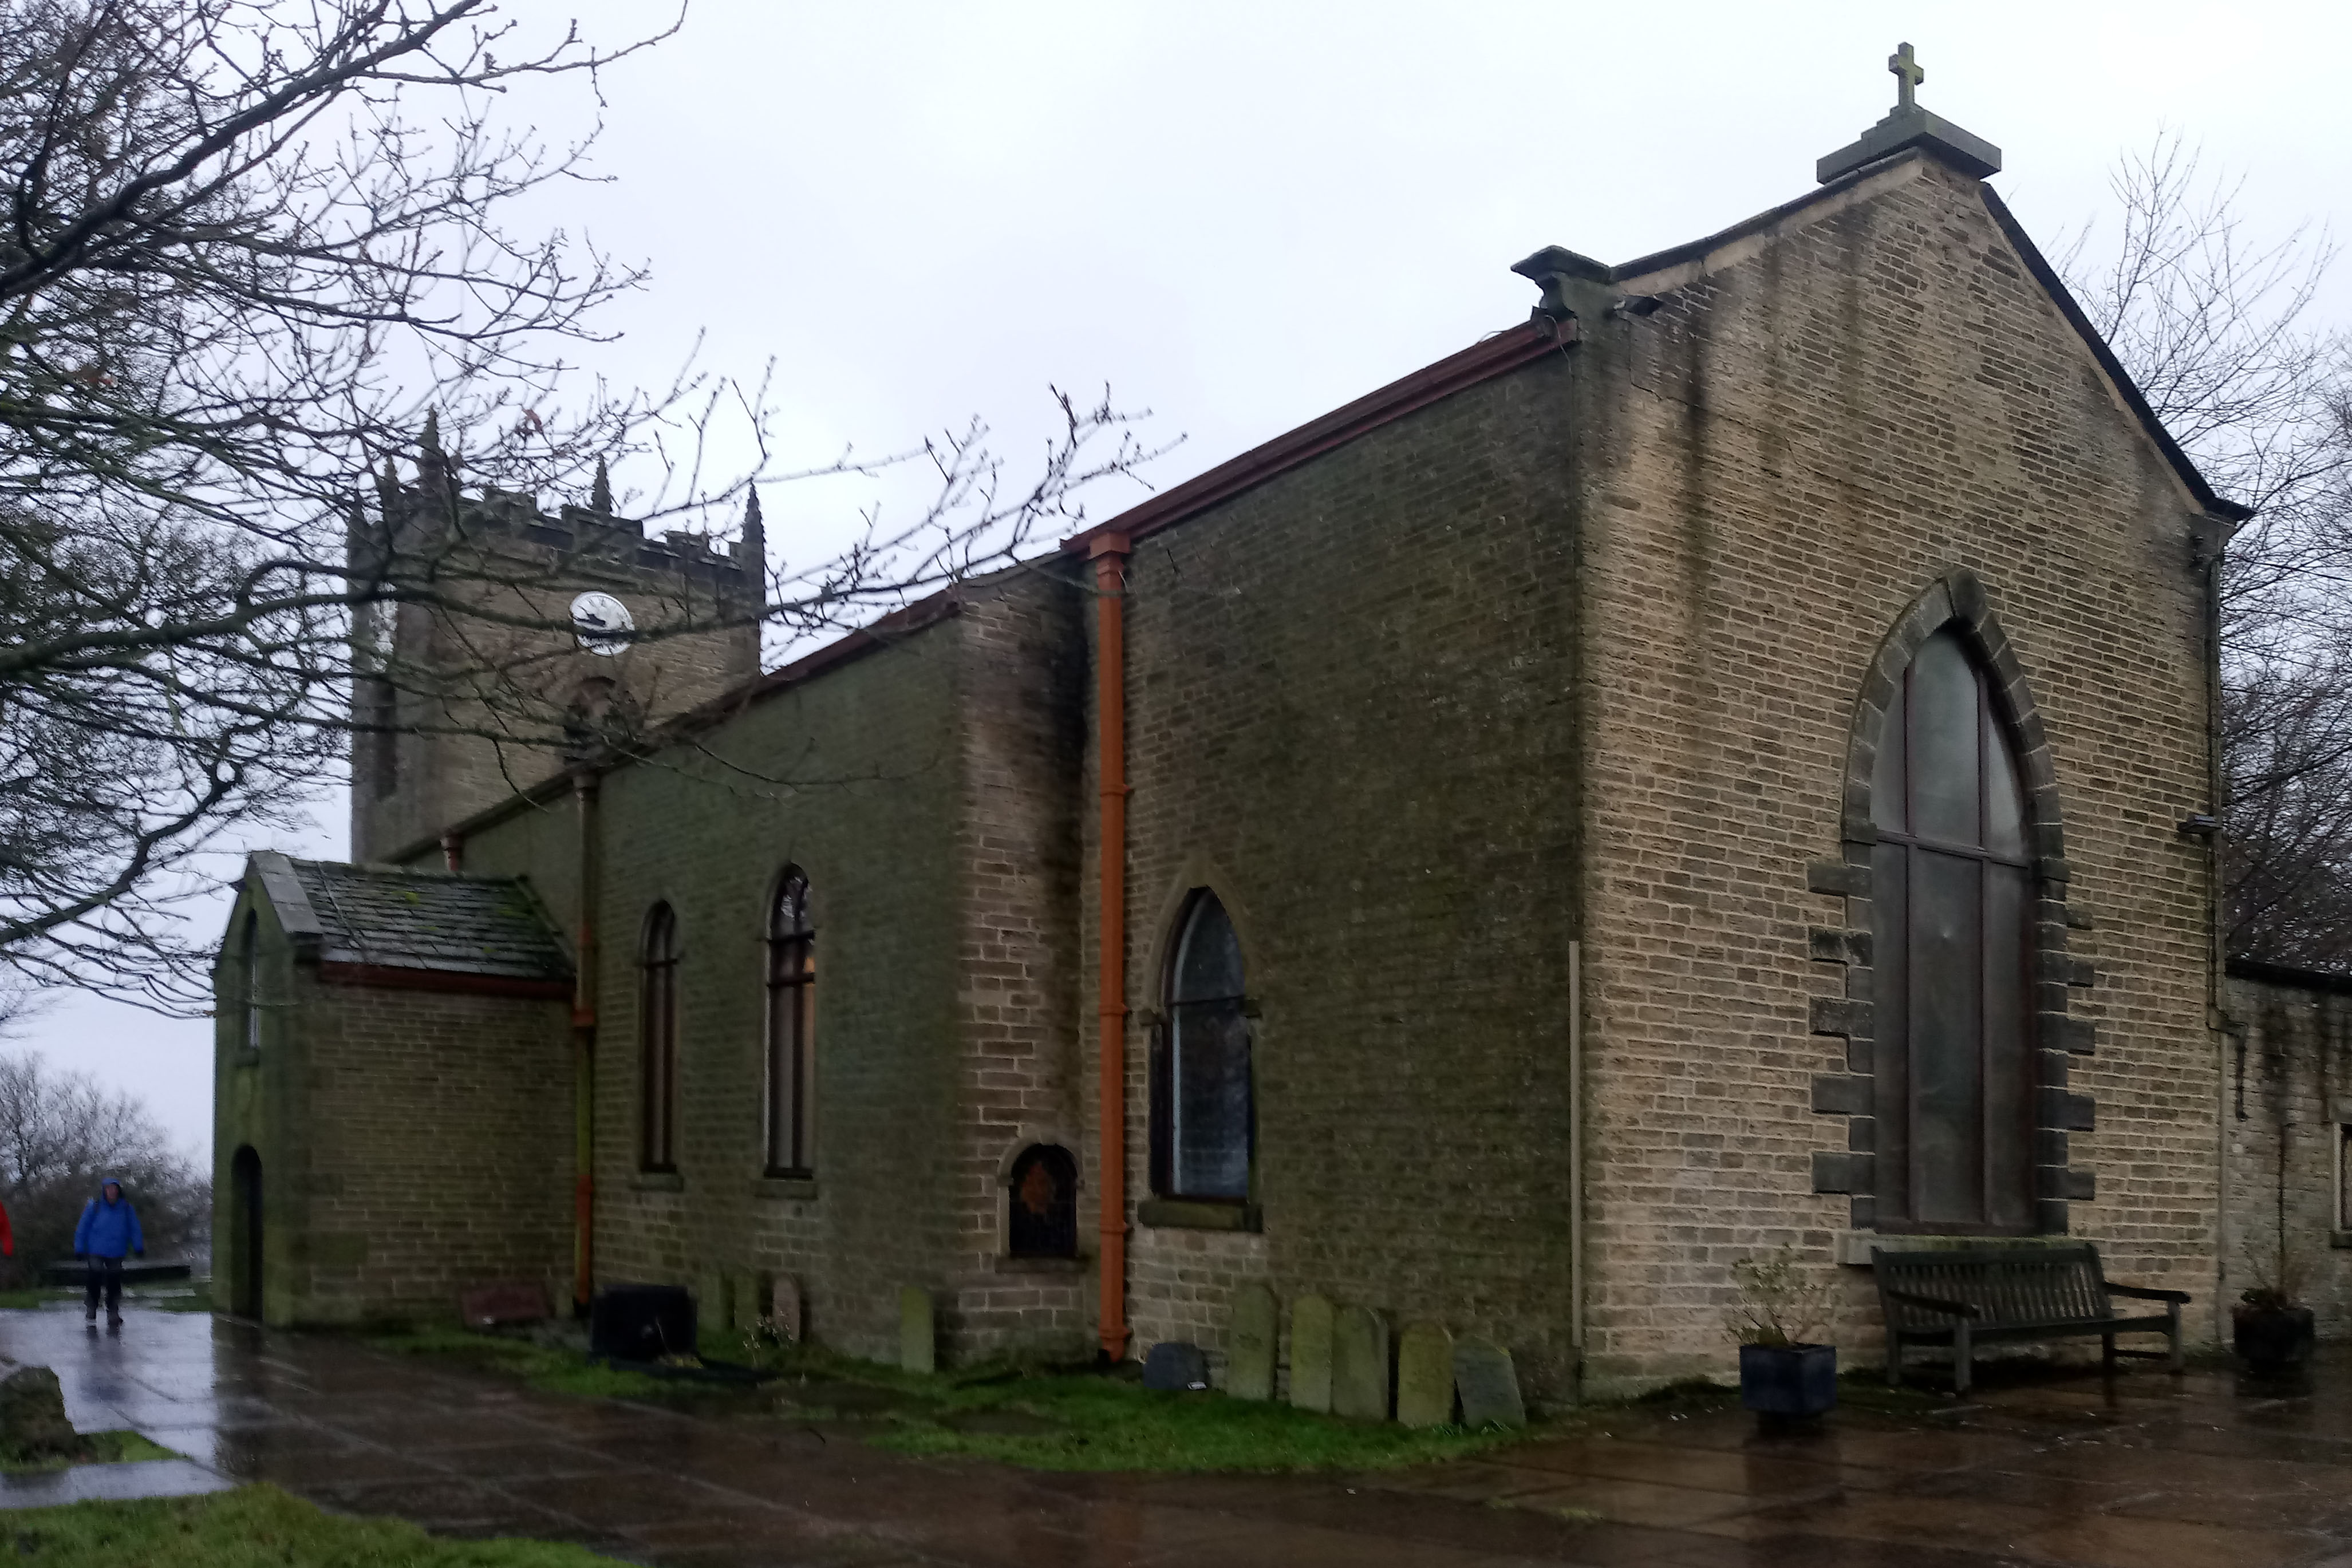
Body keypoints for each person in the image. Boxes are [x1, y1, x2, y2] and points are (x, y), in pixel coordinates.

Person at [73, 1176, 144, 1328]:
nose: (112, 1192)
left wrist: (138, 1246)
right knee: (95, 1275)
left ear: (119, 1191)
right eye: (109, 1189)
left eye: (114, 1189)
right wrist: (79, 1248)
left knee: (114, 1280)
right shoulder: (95, 1207)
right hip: (96, 1250)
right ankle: (91, 1306)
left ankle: (113, 1310)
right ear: (104, 1191)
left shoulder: (126, 1208)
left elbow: (134, 1228)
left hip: (116, 1250)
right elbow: (82, 1228)